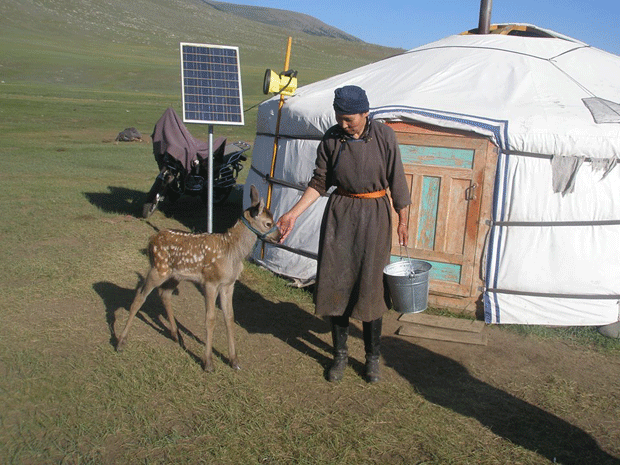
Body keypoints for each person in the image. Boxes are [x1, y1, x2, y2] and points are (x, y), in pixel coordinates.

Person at [277, 85, 411, 383]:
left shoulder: (384, 136)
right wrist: (292, 214)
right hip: (340, 214)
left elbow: (397, 178)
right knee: (336, 283)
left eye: (349, 118)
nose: (343, 124)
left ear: (366, 113)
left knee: (371, 286)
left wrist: (403, 217)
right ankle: (340, 355)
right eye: (339, 117)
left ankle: (372, 358)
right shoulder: (332, 138)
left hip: (375, 215)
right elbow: (320, 181)